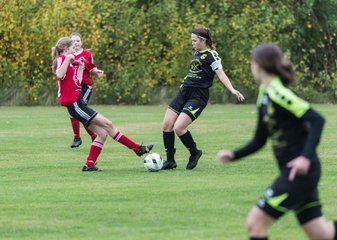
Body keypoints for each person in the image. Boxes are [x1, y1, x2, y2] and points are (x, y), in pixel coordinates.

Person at [217, 43, 337, 240]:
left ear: (257, 65)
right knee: (321, 234)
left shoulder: (278, 93)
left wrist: (305, 158)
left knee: (255, 224)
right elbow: (260, 139)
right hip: (297, 172)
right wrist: (234, 155)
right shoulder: (264, 93)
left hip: (299, 174)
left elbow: (317, 120)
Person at [51, 37, 153, 171]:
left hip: (78, 103)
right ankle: (137, 149)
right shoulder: (61, 59)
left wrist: (80, 68)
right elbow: (59, 74)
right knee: (108, 124)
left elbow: (77, 83)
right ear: (65, 49)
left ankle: (89, 165)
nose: (73, 50)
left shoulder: (69, 62)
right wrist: (68, 58)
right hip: (75, 105)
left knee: (102, 133)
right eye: (71, 48)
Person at [162, 28, 245, 170]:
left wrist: (232, 90)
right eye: (192, 40)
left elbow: (221, 74)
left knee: (179, 127)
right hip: (184, 92)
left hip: (198, 96)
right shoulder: (196, 53)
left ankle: (194, 152)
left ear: (203, 40)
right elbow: (194, 72)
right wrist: (185, 81)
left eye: (194, 40)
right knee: (167, 125)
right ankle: (170, 161)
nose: (192, 43)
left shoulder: (212, 55)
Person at [67, 32, 104, 148]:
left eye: (77, 40)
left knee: (79, 111)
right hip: (73, 87)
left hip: (85, 87)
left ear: (81, 42)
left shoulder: (87, 54)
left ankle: (86, 137)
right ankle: (81, 137)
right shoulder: (69, 55)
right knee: (74, 113)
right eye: (73, 41)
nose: (75, 43)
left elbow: (91, 67)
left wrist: (97, 71)